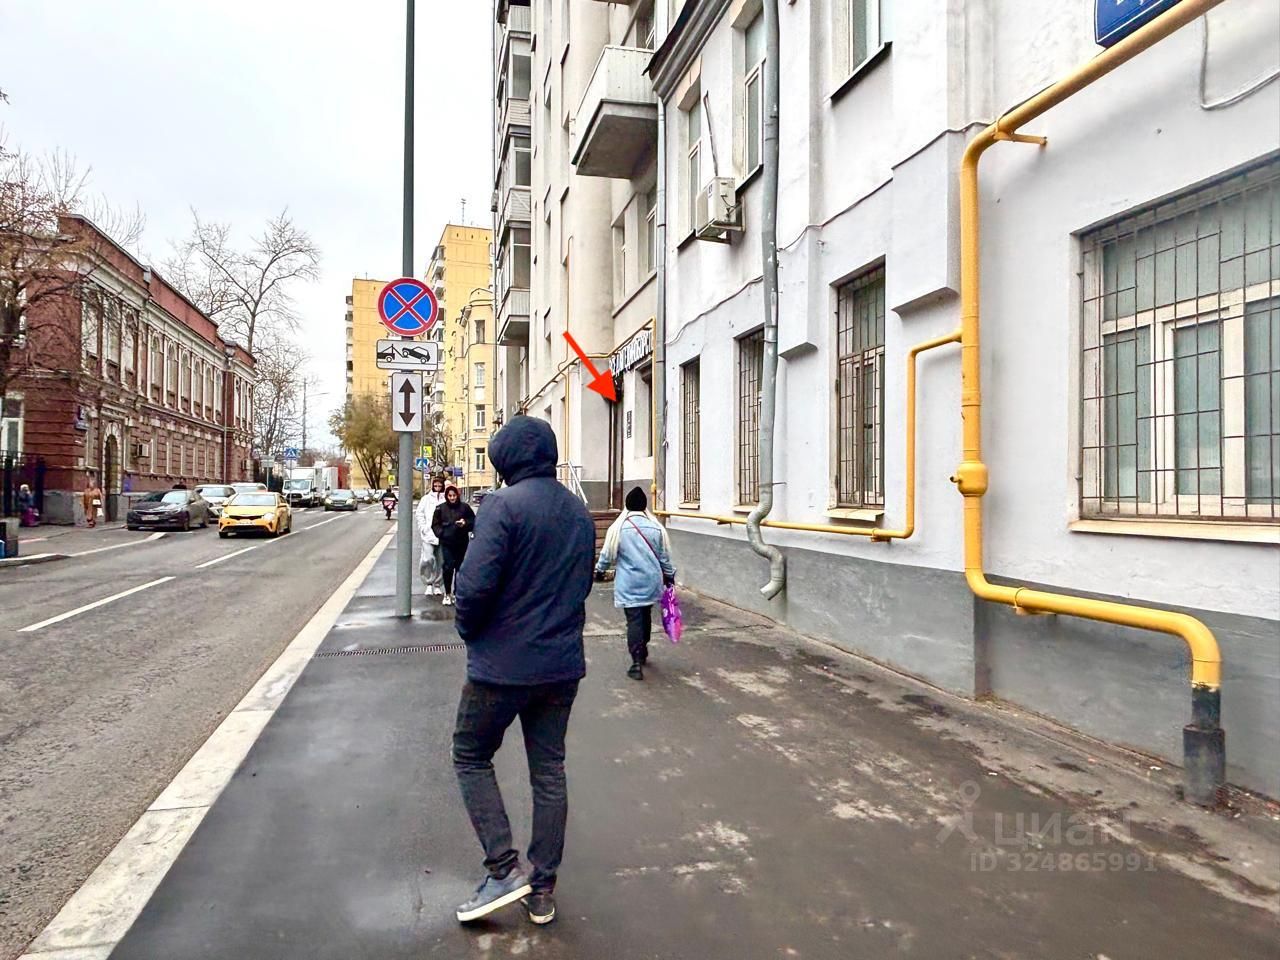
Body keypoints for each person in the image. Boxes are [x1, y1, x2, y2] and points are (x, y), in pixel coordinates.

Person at [450, 415, 595, 928]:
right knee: (549, 771)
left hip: (501, 668)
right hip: (561, 666)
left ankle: (503, 869)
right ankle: (542, 887)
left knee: (470, 756)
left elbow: (473, 587)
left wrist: (470, 632)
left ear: (505, 460)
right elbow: (582, 584)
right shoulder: (578, 512)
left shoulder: (502, 506)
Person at [594, 486, 676, 680]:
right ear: (644, 506)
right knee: (645, 615)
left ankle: (636, 662)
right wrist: (670, 576)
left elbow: (607, 555)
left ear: (627, 505)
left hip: (629, 583)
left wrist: (600, 571)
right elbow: (664, 558)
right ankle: (643, 647)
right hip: (651, 581)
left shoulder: (618, 529)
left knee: (634, 620)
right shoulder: (656, 528)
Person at [431, 484, 476, 606]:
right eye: (450, 496)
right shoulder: (440, 508)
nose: (452, 498)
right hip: (447, 543)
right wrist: (442, 533)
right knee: (448, 567)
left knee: (460, 568)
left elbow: (473, 521)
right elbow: (435, 524)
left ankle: (457, 593)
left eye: (454, 495)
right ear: (446, 496)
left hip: (462, 542)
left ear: (457, 495)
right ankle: (447, 593)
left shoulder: (465, 507)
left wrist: (465, 523)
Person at [415, 475, 447, 596]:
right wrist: (423, 528)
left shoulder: (445, 498)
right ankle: (429, 583)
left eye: (440, 485)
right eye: (435, 485)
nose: (437, 487)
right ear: (433, 485)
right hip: (428, 534)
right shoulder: (426, 499)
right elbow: (419, 513)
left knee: (441, 561)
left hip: (442, 535)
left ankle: (438, 585)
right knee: (427, 559)